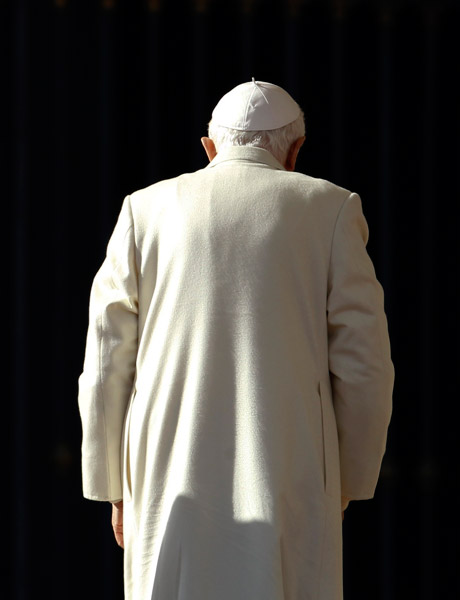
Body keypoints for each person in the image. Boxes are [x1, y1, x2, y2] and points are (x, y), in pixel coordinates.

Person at [78, 79, 394, 599]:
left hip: (166, 470)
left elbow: (107, 359)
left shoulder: (144, 210)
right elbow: (366, 367)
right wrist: (344, 479)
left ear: (209, 147)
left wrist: (113, 487)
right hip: (287, 467)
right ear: (296, 152)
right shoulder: (331, 209)